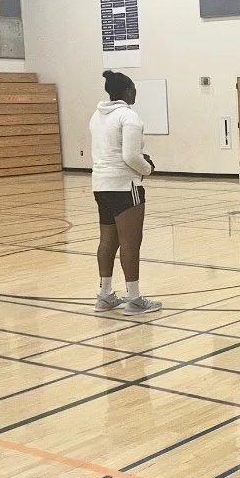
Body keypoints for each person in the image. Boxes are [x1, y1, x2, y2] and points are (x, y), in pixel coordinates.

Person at [89, 70, 161, 315]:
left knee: (108, 240)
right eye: (134, 88)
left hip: (100, 185)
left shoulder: (96, 117)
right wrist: (147, 169)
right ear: (128, 90)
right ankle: (135, 299)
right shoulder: (129, 117)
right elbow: (130, 156)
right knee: (131, 241)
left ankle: (105, 295)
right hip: (124, 185)